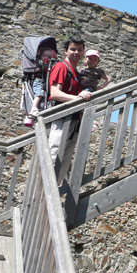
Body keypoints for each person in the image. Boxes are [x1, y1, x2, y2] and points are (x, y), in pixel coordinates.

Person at [47, 39, 92, 181]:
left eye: (79, 50)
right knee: (53, 155)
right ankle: (44, 190)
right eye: (73, 49)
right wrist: (78, 98)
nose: (76, 52)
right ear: (66, 51)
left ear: (83, 52)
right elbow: (54, 93)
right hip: (60, 118)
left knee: (64, 161)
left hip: (73, 121)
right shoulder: (61, 67)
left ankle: (55, 194)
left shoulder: (77, 74)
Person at [23, 46, 58, 127]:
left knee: (45, 96)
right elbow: (41, 68)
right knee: (39, 93)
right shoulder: (39, 62)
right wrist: (45, 62)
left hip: (45, 83)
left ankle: (40, 111)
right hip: (38, 81)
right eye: (47, 56)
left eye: (50, 57)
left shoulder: (51, 64)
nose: (48, 59)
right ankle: (33, 108)